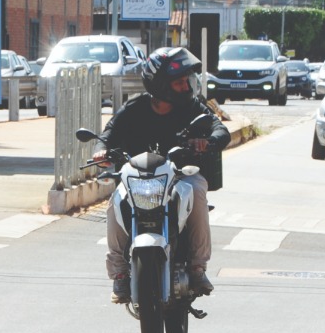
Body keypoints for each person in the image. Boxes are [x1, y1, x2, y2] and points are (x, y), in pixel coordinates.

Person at [97, 46, 229, 303]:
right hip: (139, 178)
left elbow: (219, 128)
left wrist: (208, 142)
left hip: (180, 175)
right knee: (114, 203)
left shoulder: (193, 107)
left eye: (187, 81)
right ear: (161, 85)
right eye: (179, 82)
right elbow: (108, 134)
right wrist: (101, 151)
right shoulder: (134, 108)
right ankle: (120, 274)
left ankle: (197, 267)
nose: (186, 87)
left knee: (198, 189)